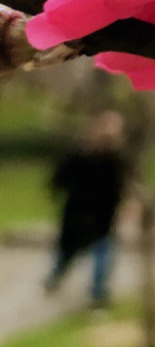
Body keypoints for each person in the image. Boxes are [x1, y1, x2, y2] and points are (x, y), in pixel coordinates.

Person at [44, 109, 127, 307]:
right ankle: (55, 278)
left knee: (102, 257)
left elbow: (119, 187)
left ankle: (98, 294)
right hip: (78, 212)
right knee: (67, 251)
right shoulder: (80, 155)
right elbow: (59, 179)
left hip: (103, 216)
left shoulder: (115, 160)